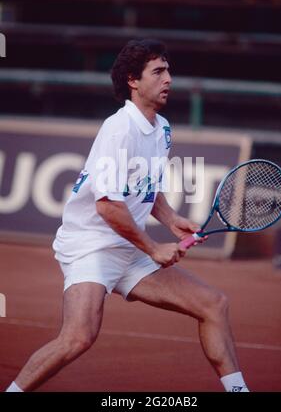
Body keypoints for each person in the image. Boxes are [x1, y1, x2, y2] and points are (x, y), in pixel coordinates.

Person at [6, 39, 249, 393]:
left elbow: (147, 187)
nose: (169, 79)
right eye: (158, 71)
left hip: (129, 249)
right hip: (91, 247)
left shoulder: (162, 128)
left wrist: (171, 219)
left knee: (214, 304)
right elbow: (107, 205)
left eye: (168, 70)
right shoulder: (118, 130)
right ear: (133, 80)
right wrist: (153, 248)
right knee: (78, 337)